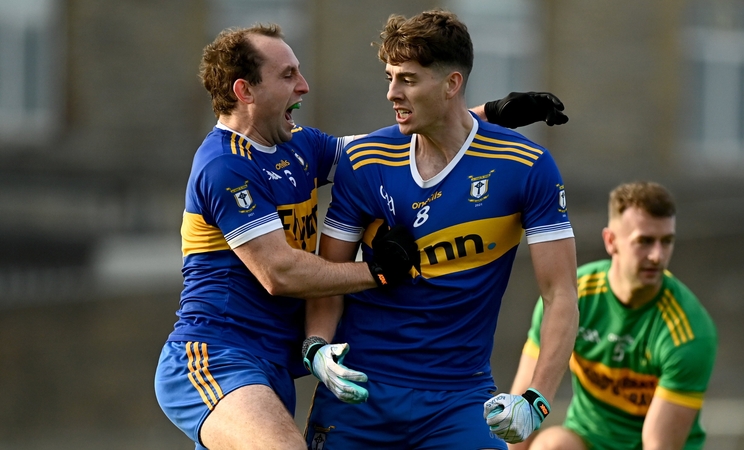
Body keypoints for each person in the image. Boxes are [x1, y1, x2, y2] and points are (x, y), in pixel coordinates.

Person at [153, 23, 570, 450]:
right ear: (245, 91)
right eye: (287, 75)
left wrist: (487, 114)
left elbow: (380, 147)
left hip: (270, 362)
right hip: (214, 354)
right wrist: (379, 272)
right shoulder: (225, 166)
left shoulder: (297, 147)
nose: (304, 86)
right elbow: (280, 273)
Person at [303, 9, 578, 449]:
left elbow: (561, 295)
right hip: (360, 394)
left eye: (408, 80)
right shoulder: (365, 159)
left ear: (451, 84)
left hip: (458, 399)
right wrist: (316, 348)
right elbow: (327, 278)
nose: (393, 93)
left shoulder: (526, 166)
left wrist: (536, 399)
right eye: (390, 77)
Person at [507, 181, 718, 450]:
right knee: (551, 446)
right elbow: (524, 407)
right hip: (588, 440)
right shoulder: (571, 300)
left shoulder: (689, 332)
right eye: (644, 241)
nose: (657, 255)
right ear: (611, 241)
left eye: (666, 241)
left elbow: (658, 445)